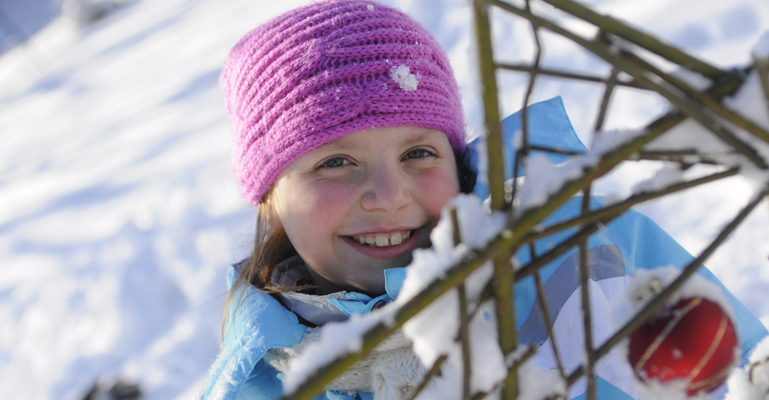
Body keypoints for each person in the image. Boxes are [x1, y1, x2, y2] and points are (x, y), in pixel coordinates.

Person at [198, 1, 767, 399]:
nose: (390, 197)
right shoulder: (259, 383)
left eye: (418, 153)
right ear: (268, 197)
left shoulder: (588, 248)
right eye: (335, 162)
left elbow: (747, 366)